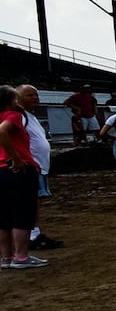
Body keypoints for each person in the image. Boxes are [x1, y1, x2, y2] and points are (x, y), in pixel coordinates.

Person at [0, 84, 47, 269]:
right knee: (23, 213)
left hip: (1, 169)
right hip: (18, 170)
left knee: (4, 216)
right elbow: (2, 131)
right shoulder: (14, 116)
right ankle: (21, 257)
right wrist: (16, 158)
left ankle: (6, 257)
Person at [17, 85, 62, 249]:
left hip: (39, 166)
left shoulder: (30, 116)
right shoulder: (20, 117)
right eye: (30, 95)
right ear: (18, 97)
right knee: (31, 201)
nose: (35, 98)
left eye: (36, 95)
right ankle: (32, 235)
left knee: (36, 200)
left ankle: (34, 232)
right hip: (30, 166)